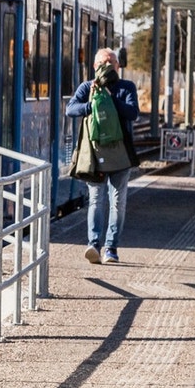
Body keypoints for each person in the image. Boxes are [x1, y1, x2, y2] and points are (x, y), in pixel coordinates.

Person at [66, 48, 139, 264]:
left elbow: (133, 113)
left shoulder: (126, 87)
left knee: (117, 202)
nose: (108, 67)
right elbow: (71, 109)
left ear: (118, 67)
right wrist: (92, 105)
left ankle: (111, 247)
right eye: (104, 63)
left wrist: (108, 100)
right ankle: (94, 245)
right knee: (97, 200)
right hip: (94, 156)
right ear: (95, 66)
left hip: (120, 155)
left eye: (112, 63)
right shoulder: (87, 87)